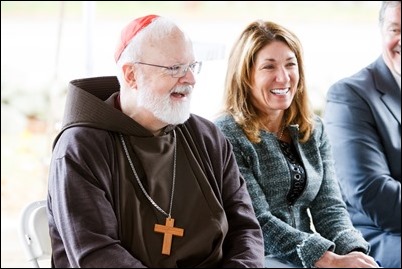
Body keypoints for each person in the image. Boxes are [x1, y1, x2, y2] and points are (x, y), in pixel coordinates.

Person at [46, 14, 265, 268]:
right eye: (175, 69)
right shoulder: (81, 148)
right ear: (131, 75)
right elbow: (95, 254)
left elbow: (246, 229)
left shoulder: (207, 138)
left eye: (192, 67)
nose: (190, 79)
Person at [214, 19, 380, 268]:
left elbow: (330, 208)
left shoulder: (312, 128)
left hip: (310, 254)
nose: (283, 77)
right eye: (269, 67)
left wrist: (354, 254)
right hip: (257, 256)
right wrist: (327, 259)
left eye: (290, 65)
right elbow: (257, 220)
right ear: (245, 75)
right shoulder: (226, 133)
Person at [323, 1, 401, 268]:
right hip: (382, 236)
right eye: (395, 29)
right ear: (382, 32)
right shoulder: (350, 96)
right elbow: (371, 193)